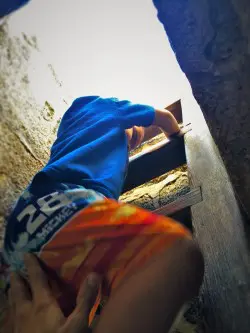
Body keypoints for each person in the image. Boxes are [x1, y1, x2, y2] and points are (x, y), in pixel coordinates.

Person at [2, 96, 204, 332]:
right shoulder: (108, 107)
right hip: (64, 205)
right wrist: (175, 134)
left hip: (24, 221)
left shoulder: (66, 142)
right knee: (174, 252)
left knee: (38, 310)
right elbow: (164, 118)